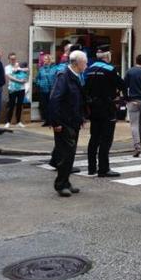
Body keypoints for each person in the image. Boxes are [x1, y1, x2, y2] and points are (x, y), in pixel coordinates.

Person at [45, 50, 88, 197]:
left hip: (73, 121)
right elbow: (55, 99)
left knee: (70, 154)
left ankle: (66, 182)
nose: (86, 65)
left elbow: (77, 101)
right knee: (65, 155)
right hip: (64, 122)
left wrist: (81, 118)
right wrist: (56, 122)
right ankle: (60, 184)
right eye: (85, 62)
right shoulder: (63, 76)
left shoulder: (76, 76)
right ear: (77, 63)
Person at [84, 47, 125, 176]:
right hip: (107, 107)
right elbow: (122, 85)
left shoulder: (89, 69)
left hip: (93, 108)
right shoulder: (110, 69)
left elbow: (85, 88)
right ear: (108, 56)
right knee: (106, 139)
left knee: (94, 138)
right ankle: (103, 168)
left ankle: (91, 167)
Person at [4, 54, 27, 129]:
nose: (13, 60)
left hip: (21, 89)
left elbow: (27, 71)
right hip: (12, 89)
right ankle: (8, 122)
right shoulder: (7, 67)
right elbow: (10, 77)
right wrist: (19, 81)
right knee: (11, 105)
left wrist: (25, 79)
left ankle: (18, 122)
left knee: (20, 105)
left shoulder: (19, 66)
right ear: (9, 59)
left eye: (14, 58)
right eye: (11, 59)